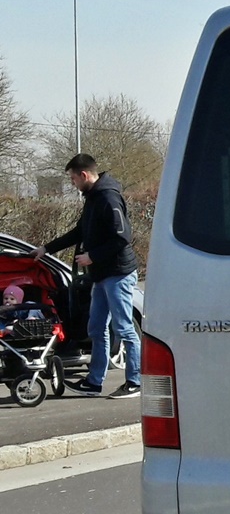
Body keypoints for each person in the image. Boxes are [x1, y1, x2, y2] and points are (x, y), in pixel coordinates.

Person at [34, 153, 141, 398]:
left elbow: (122, 236)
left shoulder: (107, 197)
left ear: (84, 175)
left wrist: (92, 256)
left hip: (118, 274)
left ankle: (134, 382)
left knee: (124, 328)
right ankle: (94, 382)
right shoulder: (92, 198)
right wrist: (46, 249)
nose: (72, 184)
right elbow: (79, 231)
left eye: (73, 179)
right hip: (101, 276)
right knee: (96, 328)